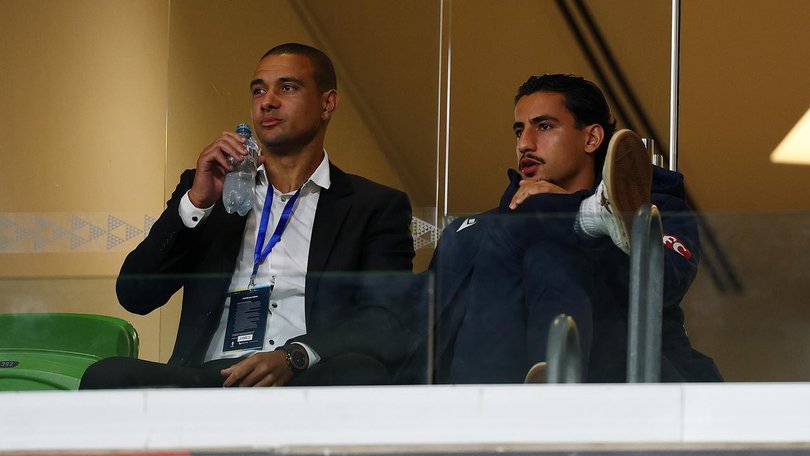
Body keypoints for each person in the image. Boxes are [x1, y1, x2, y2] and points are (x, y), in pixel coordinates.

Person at [81, 43, 415, 388]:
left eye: (287, 87)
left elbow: (387, 322)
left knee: (359, 373)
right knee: (107, 375)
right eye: (258, 90)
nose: (267, 101)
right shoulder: (213, 188)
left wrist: (296, 355)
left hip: (306, 375)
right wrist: (197, 202)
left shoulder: (372, 206)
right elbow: (135, 295)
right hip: (212, 376)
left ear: (327, 104)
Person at [431, 73, 722, 383]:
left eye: (544, 126)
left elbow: (660, 283)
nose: (525, 144)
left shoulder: (654, 212)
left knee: (546, 244)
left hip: (626, 397)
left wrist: (565, 209)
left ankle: (592, 215)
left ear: (591, 138)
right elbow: (426, 330)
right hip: (478, 409)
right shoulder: (471, 230)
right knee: (530, 237)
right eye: (519, 130)